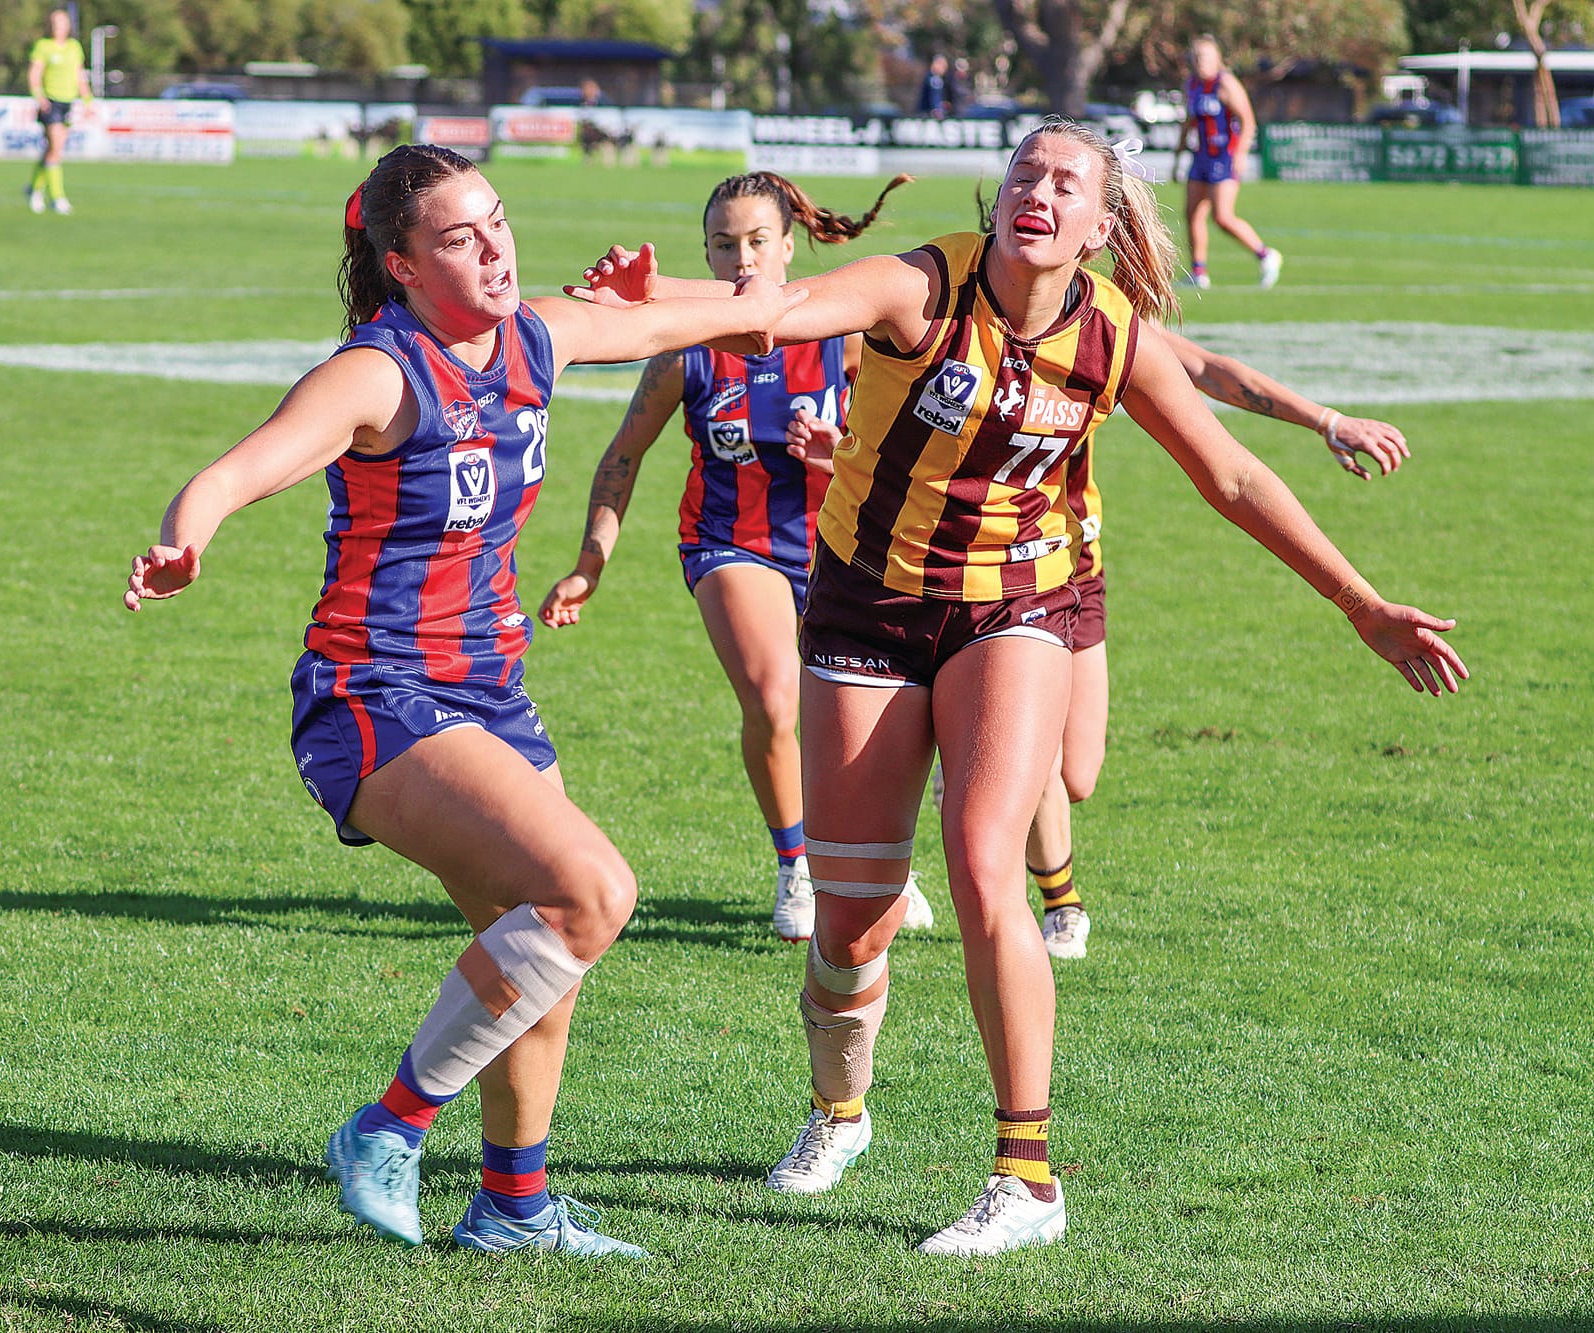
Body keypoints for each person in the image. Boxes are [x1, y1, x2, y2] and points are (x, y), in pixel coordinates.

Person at [571, 116, 1464, 1256]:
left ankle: (1024, 1175)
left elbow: (1229, 475)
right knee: (850, 921)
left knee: (985, 861)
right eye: (1022, 173)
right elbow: (775, 312)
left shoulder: (1112, 336)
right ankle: (838, 1111)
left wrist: (1360, 603)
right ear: (998, 200)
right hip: (867, 603)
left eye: (1065, 183)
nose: (1037, 191)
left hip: (1016, 607)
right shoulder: (922, 285)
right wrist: (634, 313)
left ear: (1098, 227)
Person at [123, 145, 801, 1257]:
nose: (492, 248)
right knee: (589, 890)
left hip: (489, 689)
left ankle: (512, 1209)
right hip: (374, 694)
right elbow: (242, 467)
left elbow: (727, 317)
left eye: (497, 222)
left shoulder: (536, 333)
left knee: (538, 940)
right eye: (457, 236)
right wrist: (186, 536)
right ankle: (386, 1130)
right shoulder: (378, 372)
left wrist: (649, 290)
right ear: (399, 263)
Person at [539, 170, 936, 944]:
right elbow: (623, 456)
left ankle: (875, 863)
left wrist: (837, 453)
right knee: (775, 697)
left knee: (860, 720)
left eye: (758, 241)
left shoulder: (845, 336)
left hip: (842, 545)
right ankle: (797, 865)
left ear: (791, 246)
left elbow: (904, 453)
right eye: (724, 245)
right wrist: (590, 562)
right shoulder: (683, 353)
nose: (743, 260)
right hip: (730, 541)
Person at [1021, 332, 1415, 959]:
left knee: (1077, 775)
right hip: (1007, 579)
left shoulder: (1097, 319)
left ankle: (967, 760)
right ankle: (1062, 905)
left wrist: (1327, 420)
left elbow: (1207, 369)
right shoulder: (967, 306)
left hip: (1078, 568)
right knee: (1031, 752)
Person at [1175, 37, 1279, 290]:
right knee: (1192, 214)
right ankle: (1198, 273)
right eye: (1197, 57)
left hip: (1223, 157)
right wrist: (1178, 154)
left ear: (1217, 58)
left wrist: (1240, 154)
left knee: (1222, 217)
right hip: (1201, 157)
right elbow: (1190, 121)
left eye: (1206, 57)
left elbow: (1248, 121)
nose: (1201, 62)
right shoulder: (1192, 85)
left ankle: (1266, 255)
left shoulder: (1226, 83)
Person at [26, 9, 90, 215]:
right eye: (55, 22)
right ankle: (57, 197)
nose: (58, 26)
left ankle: (34, 190)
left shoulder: (74, 47)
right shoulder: (43, 46)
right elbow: (34, 74)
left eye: (62, 22)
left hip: (67, 103)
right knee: (56, 148)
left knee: (52, 151)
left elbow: (80, 76)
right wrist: (39, 96)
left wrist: (88, 100)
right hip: (50, 103)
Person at [917, 54, 951, 118]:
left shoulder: (929, 76)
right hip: (927, 115)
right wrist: (937, 110)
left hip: (923, 114)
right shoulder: (935, 79)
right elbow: (935, 96)